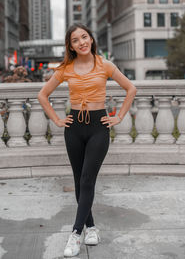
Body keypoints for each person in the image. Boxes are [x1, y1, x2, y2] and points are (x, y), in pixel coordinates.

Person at [37, 23, 137, 257]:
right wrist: (58, 120)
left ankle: (75, 234)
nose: (81, 42)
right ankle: (91, 228)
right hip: (74, 128)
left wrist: (119, 116)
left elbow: (131, 89)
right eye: (75, 40)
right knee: (79, 181)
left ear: (91, 39)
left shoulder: (105, 65)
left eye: (84, 37)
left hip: (98, 127)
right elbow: (42, 95)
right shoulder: (66, 68)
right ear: (70, 45)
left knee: (87, 179)